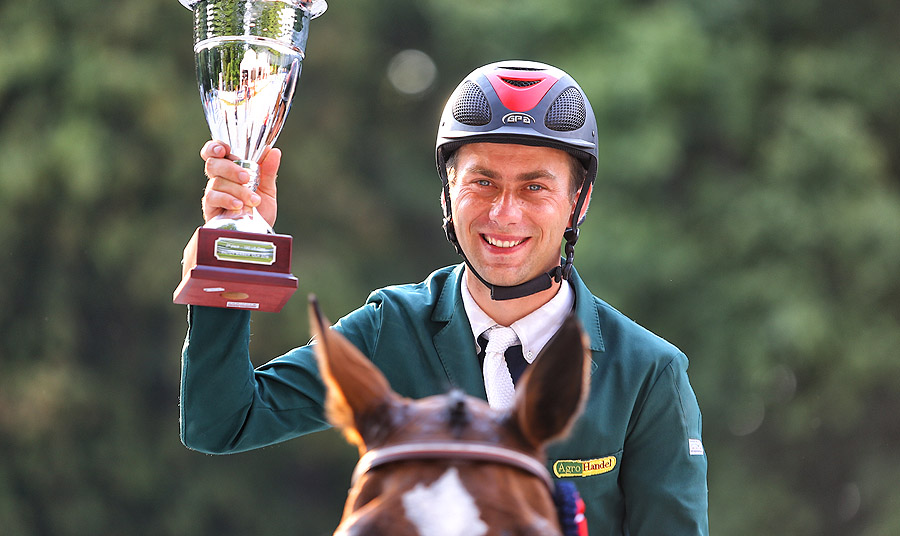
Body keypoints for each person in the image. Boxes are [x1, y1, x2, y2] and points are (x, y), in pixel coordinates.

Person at [180, 60, 709, 535]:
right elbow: (222, 423)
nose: (504, 214)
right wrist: (230, 250)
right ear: (448, 193)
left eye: (534, 187)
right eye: (482, 183)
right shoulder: (389, 328)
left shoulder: (648, 373)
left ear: (578, 201)